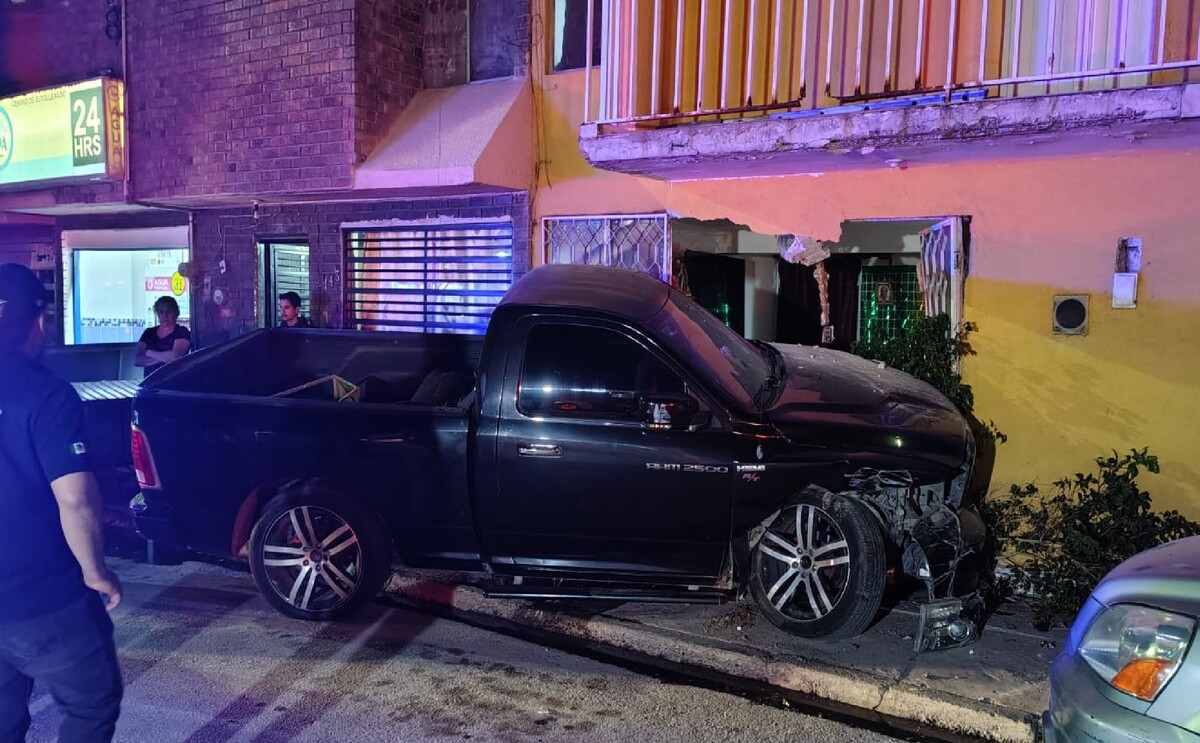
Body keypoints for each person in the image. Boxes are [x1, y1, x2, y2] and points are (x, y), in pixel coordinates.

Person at [0, 263, 124, 742]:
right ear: (37, 323)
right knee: (91, 705)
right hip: (44, 596)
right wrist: (95, 571)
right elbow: (75, 499)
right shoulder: (47, 395)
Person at [135, 295, 191, 377]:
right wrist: (165, 357)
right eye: (161, 312)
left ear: (176, 313)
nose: (165, 316)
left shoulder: (181, 332)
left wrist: (149, 353)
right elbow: (137, 360)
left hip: (174, 381)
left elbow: (175, 357)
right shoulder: (149, 332)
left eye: (168, 312)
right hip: (150, 383)